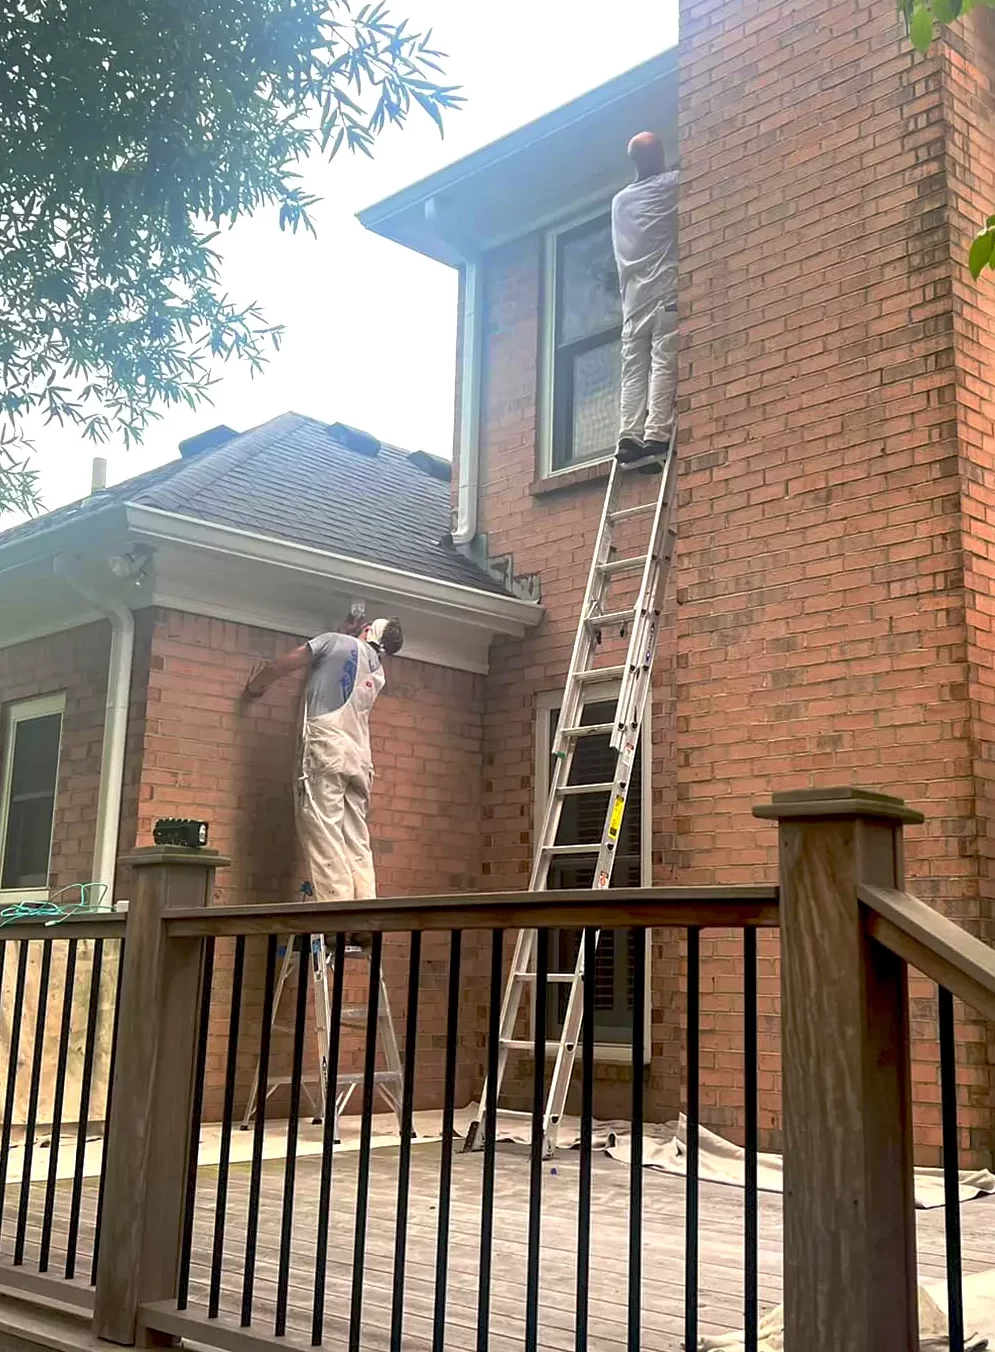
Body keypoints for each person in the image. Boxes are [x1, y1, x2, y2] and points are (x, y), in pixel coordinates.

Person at [244, 615, 403, 904]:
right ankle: (365, 913)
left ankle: (336, 913)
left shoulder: (334, 641)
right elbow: (348, 662)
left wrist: (256, 686)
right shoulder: (378, 670)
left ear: (366, 630)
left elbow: (281, 665)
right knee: (356, 837)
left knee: (323, 827)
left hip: (327, 746)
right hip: (359, 757)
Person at [611, 131, 679, 465]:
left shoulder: (620, 201)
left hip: (632, 300)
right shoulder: (669, 186)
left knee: (635, 369)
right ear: (657, 156)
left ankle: (629, 436)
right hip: (664, 290)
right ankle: (656, 436)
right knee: (664, 359)